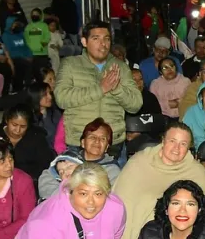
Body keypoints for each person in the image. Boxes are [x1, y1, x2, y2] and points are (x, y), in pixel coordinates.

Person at [55, 20, 142, 158]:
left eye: (106, 39)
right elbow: (61, 98)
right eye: (96, 38)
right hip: (79, 143)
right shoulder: (70, 64)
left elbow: (136, 105)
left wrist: (116, 89)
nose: (103, 44)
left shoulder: (120, 67)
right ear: (84, 41)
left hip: (113, 143)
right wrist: (101, 88)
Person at [68, 118, 122, 185]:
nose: (97, 141)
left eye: (102, 139)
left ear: (107, 147)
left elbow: (114, 194)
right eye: (92, 137)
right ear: (83, 143)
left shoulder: (112, 171)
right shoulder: (68, 162)